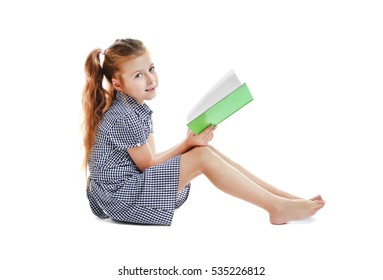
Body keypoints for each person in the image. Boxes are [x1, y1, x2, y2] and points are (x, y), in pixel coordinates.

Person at [82, 38, 325, 226]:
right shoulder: (123, 116)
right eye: (138, 75)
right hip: (122, 198)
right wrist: (187, 144)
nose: (150, 79)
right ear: (117, 84)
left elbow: (152, 160)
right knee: (201, 155)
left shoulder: (136, 109)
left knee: (204, 149)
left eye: (151, 69)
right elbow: (148, 166)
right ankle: (277, 207)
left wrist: (191, 143)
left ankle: (282, 198)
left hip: (126, 191)